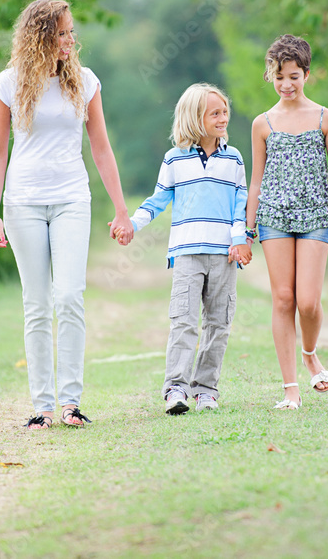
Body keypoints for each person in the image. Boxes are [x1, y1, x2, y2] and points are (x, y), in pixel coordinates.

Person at [0, 0, 135, 430]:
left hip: (72, 198)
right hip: (23, 203)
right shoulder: (8, 84)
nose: (71, 40)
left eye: (72, 32)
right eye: (63, 32)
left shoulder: (85, 82)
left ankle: (71, 402)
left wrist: (122, 209)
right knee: (36, 304)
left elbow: (101, 149)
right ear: (41, 36)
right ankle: (42, 408)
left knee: (69, 296)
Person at [247, 34, 328, 410]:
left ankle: (310, 353)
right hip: (274, 218)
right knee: (283, 298)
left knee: (308, 303)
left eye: (294, 76)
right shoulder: (262, 123)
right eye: (279, 76)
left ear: (306, 75)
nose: (286, 84)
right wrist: (246, 229)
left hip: (316, 215)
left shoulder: (323, 117)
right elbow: (256, 181)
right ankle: (290, 389)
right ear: (270, 75)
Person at [119, 83, 252, 415]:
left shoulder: (233, 159)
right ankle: (175, 388)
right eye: (216, 113)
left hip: (223, 255)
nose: (223, 118)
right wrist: (132, 224)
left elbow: (241, 203)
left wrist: (239, 238)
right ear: (195, 118)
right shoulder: (174, 159)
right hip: (187, 253)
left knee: (218, 323)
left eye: (225, 112)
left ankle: (206, 389)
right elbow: (158, 200)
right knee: (184, 321)